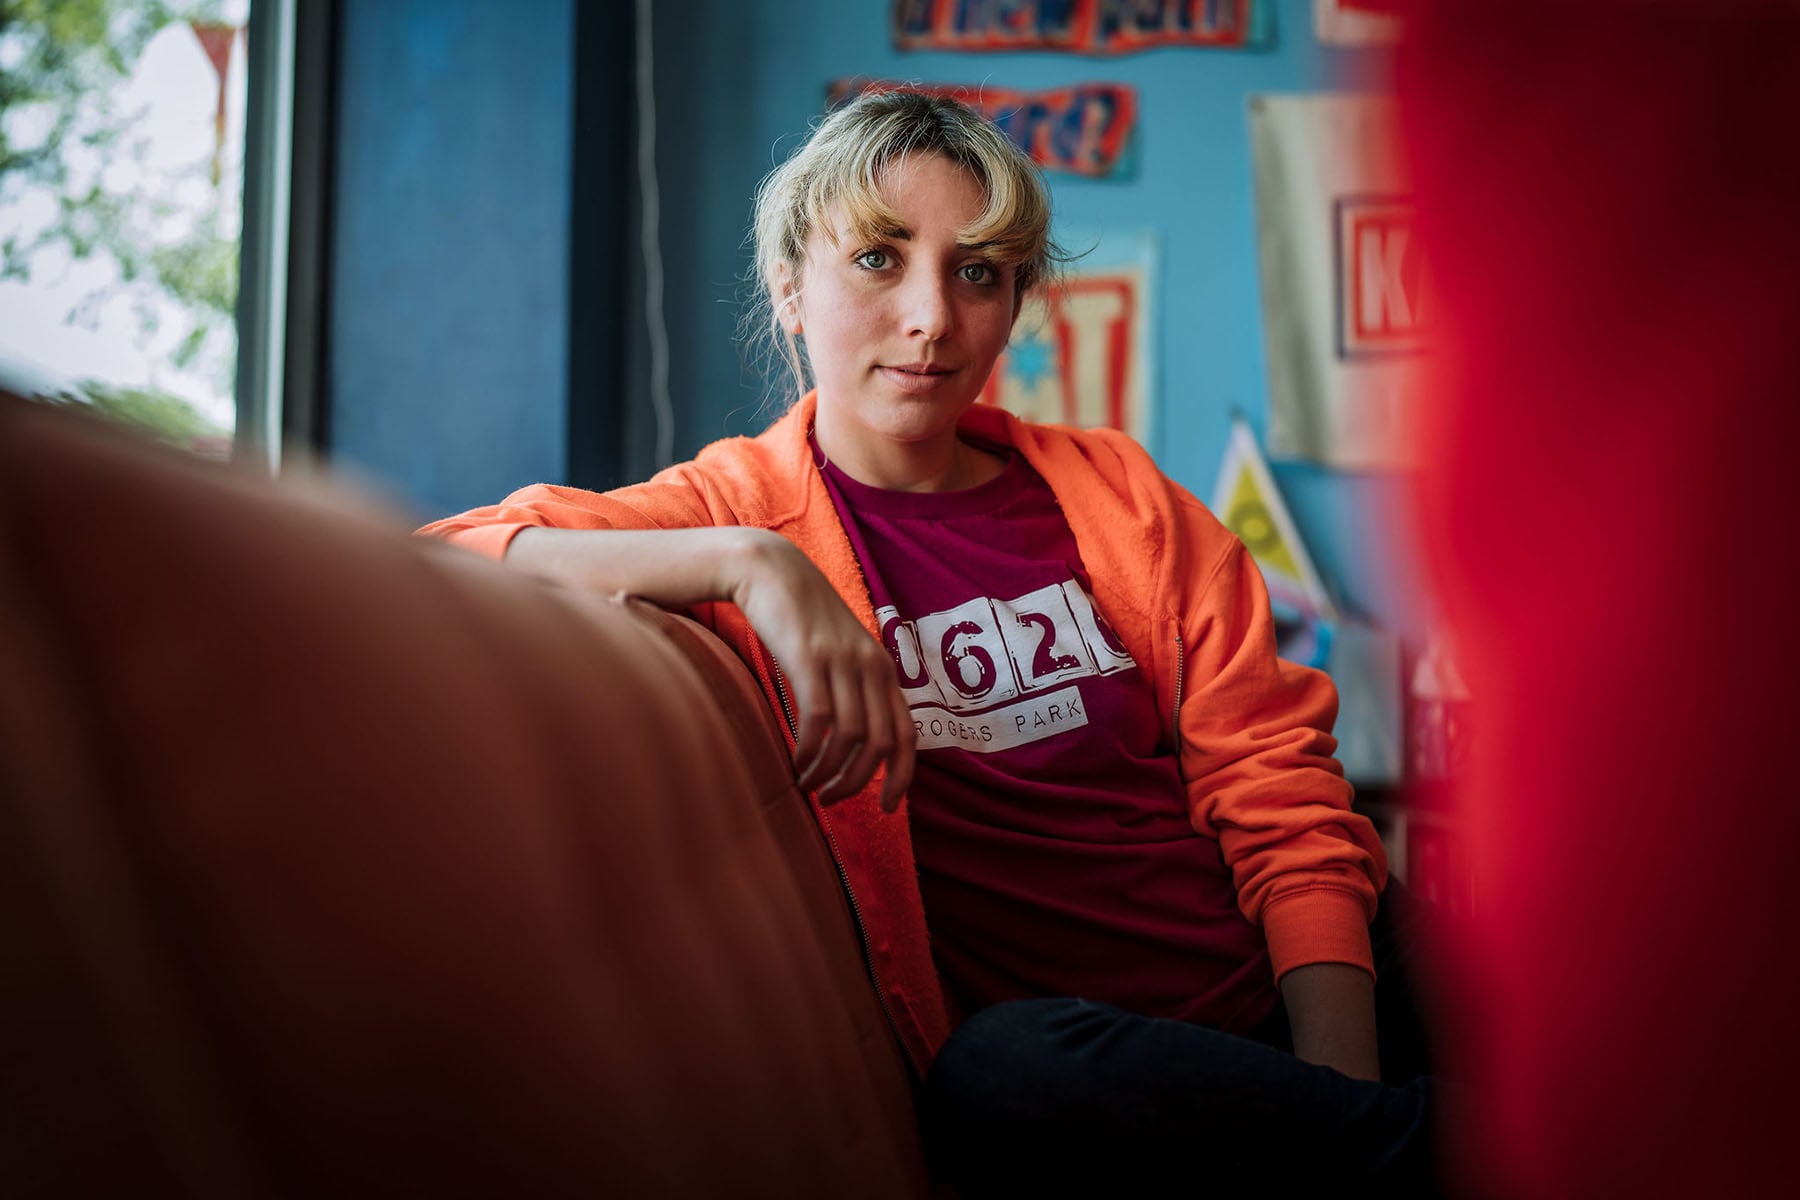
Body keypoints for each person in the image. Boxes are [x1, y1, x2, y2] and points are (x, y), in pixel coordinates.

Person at [419, 90, 1440, 1194]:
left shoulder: (1120, 496)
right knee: (993, 1073)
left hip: (1304, 989)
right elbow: (442, 556)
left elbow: (1283, 798)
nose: (931, 318)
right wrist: (753, 563)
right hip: (1092, 1074)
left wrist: (1333, 1104)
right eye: (877, 258)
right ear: (789, 286)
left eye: (978, 272)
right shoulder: (735, 511)